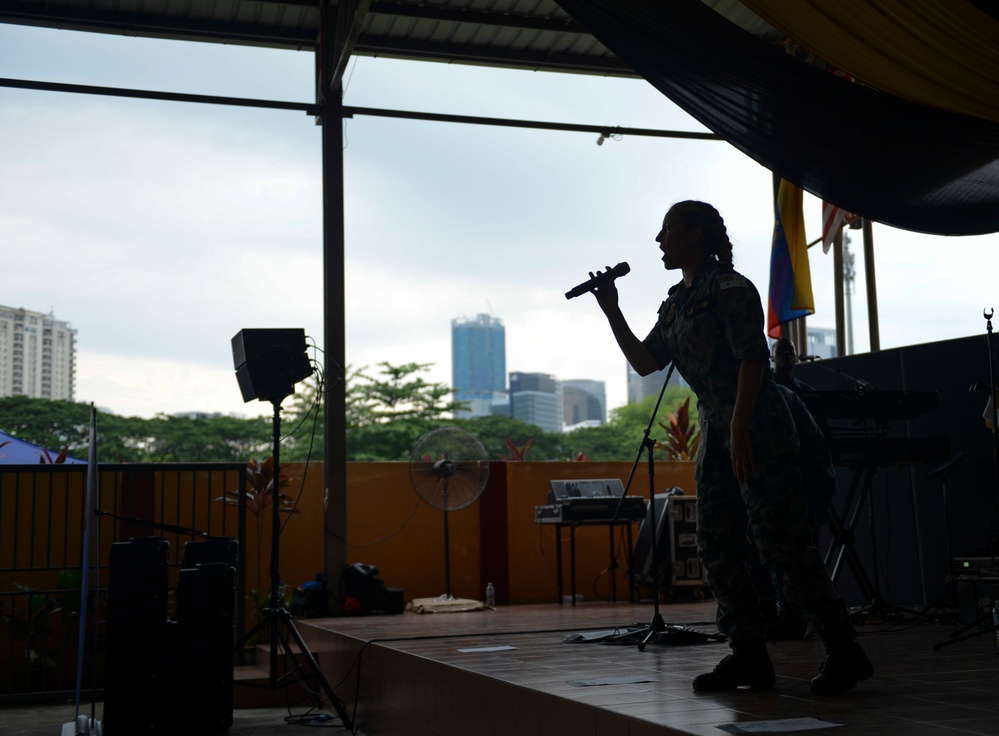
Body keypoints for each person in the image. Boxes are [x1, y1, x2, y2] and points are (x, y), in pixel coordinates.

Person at [588, 200, 872, 695]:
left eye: (668, 230)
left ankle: (844, 649)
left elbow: (752, 359)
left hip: (755, 423)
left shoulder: (730, 288)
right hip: (718, 431)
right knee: (716, 544)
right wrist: (611, 309)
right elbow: (644, 363)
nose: (659, 240)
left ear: (695, 234)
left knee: (780, 543)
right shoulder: (677, 301)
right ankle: (748, 656)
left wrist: (740, 427)